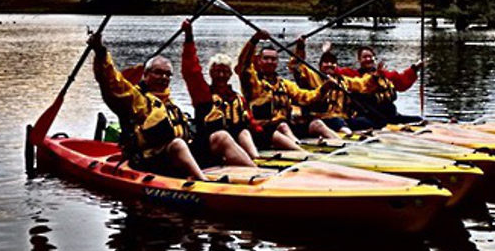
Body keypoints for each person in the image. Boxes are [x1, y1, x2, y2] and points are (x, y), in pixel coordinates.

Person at [88, 32, 207, 181]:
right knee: (177, 144)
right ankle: (204, 182)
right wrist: (100, 52)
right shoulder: (135, 99)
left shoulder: (170, 104)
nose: (164, 78)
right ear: (145, 75)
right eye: (158, 73)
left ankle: (243, 172)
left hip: (169, 158)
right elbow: (113, 83)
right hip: (144, 161)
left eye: (167, 75)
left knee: (218, 137)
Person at [235, 29, 337, 148]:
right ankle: (299, 148)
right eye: (266, 58)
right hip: (264, 130)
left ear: (277, 62)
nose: (270, 62)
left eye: (273, 59)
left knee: (317, 123)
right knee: (282, 125)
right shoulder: (253, 82)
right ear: (259, 61)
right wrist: (254, 40)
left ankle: (342, 145)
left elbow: (307, 97)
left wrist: (324, 88)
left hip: (285, 126)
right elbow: (244, 64)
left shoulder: (284, 84)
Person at [181, 19, 258, 165]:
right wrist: (189, 37)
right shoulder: (203, 95)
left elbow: (251, 124)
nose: (221, 76)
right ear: (210, 73)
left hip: (234, 143)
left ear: (230, 75)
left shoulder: (238, 98)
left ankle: (256, 159)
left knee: (244, 132)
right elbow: (191, 71)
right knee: (223, 136)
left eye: (224, 72)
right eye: (217, 72)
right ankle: (254, 169)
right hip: (208, 146)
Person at [289, 37, 377, 134]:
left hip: (341, 117)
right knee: (337, 122)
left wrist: (376, 75)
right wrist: (300, 48)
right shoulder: (313, 76)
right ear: (320, 66)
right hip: (321, 118)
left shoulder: (343, 80)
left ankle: (356, 132)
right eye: (326, 62)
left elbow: (363, 84)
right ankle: (348, 135)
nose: (329, 65)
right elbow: (297, 65)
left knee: (366, 122)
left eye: (333, 63)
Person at [337, 45, 424, 127]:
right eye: (364, 57)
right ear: (359, 60)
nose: (368, 59)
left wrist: (415, 68)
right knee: (365, 123)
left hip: (390, 115)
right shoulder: (353, 75)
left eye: (370, 57)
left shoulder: (385, 75)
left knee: (418, 119)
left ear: (374, 59)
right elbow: (336, 72)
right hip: (369, 116)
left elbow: (401, 82)